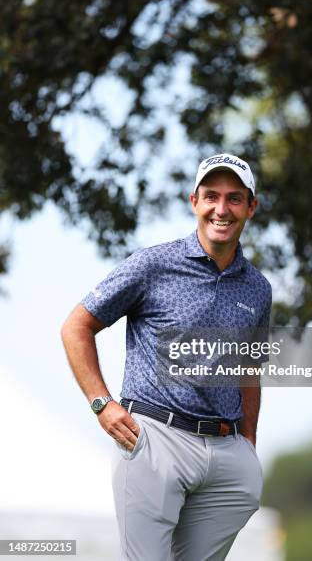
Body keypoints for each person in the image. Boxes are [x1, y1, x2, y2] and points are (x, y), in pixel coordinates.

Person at [61, 153, 272, 561]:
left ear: (251, 206)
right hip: (155, 438)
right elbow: (76, 327)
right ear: (194, 201)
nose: (221, 209)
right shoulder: (152, 265)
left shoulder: (257, 288)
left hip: (227, 451)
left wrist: (249, 443)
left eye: (234, 198)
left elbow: (249, 366)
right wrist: (102, 405)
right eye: (211, 196)